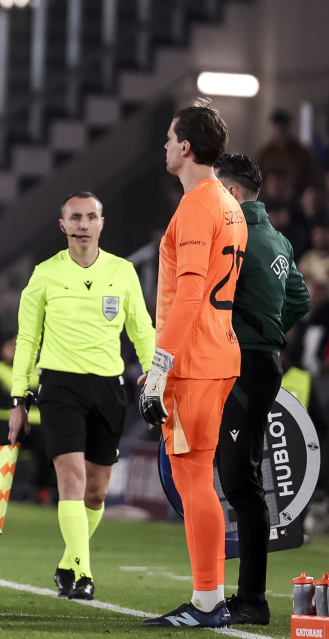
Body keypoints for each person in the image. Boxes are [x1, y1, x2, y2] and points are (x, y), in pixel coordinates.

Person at [7, 192, 155, 601]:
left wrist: (154, 372)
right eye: (76, 218)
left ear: (102, 223)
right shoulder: (44, 274)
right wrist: (19, 397)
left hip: (109, 389)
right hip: (59, 386)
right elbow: (27, 338)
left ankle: (68, 562)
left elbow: (142, 329)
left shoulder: (123, 272)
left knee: (97, 491)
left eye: (91, 217)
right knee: (71, 479)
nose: (84, 224)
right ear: (63, 225)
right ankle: (85, 574)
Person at [140, 100, 248, 628]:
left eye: (168, 137)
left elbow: (187, 297)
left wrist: (160, 366)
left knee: (194, 481)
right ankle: (211, 597)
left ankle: (208, 600)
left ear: (185, 147)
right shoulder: (229, 203)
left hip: (195, 361)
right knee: (198, 478)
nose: (164, 145)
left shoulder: (196, 207)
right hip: (219, 353)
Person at [213, 153, 310, 625]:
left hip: (241, 366)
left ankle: (251, 598)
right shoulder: (279, 240)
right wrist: (273, 332)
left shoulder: (235, 234)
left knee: (240, 483)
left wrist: (253, 336)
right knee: (238, 478)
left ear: (230, 193)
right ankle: (238, 594)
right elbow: (301, 298)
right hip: (261, 362)